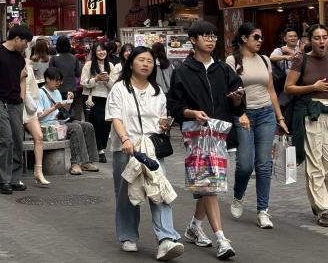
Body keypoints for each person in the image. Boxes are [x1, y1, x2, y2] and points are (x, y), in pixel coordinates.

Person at [167, 20, 245, 259]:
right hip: (196, 133)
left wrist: (236, 99)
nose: (211, 40)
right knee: (209, 184)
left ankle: (193, 226)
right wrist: (191, 113)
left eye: (213, 36)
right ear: (193, 40)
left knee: (208, 182)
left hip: (220, 132)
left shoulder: (223, 69)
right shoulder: (182, 71)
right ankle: (221, 238)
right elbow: (174, 105)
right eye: (205, 36)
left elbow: (238, 99)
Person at [105, 46, 184, 260]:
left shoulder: (157, 91)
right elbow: (116, 117)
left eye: (150, 60)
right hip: (127, 147)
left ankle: (166, 239)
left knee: (160, 188)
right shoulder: (120, 88)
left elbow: (159, 120)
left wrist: (164, 125)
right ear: (131, 63)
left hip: (151, 147)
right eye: (141, 59)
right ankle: (128, 236)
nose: (146, 64)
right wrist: (125, 140)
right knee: (126, 192)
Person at [225, 22, 289, 230]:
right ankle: (238, 196)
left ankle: (263, 210)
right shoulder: (232, 60)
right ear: (244, 38)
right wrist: (239, 111)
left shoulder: (265, 60)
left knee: (264, 164)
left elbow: (271, 90)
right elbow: (228, 92)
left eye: (261, 37)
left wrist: (280, 118)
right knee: (245, 164)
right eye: (256, 37)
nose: (260, 41)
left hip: (266, 114)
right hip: (243, 115)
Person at [284, 24, 328, 227]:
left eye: (325, 37)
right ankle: (323, 208)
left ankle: (321, 200)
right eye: (317, 38)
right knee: (315, 161)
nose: (322, 41)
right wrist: (314, 87)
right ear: (310, 40)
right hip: (311, 114)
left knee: (327, 161)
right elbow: (289, 88)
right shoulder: (302, 59)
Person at [0, 25, 33, 194]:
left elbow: (22, 78)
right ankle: (3, 180)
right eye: (25, 42)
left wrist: (21, 96)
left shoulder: (19, 59)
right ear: (17, 39)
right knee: (4, 140)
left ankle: (14, 178)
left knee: (18, 141)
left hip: (15, 104)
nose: (26, 46)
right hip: (0, 103)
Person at [39, 68, 100, 175]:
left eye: (60, 81)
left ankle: (87, 161)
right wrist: (54, 108)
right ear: (47, 79)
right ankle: (75, 163)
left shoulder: (57, 92)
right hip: (47, 125)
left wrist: (68, 101)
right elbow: (39, 116)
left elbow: (63, 112)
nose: (59, 83)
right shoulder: (40, 93)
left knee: (87, 126)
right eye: (56, 80)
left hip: (59, 122)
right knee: (75, 128)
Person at [82, 42, 117, 163]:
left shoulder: (111, 66)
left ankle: (101, 147)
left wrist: (107, 80)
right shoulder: (88, 65)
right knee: (95, 125)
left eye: (103, 50)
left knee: (105, 125)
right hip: (91, 99)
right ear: (94, 53)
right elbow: (83, 83)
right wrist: (96, 79)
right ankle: (98, 150)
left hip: (106, 98)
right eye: (98, 50)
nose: (101, 52)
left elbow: (114, 86)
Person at [23, 46, 51, 186]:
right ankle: (13, 173)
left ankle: (38, 171)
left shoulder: (28, 63)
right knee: (14, 140)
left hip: (30, 107)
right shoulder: (17, 63)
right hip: (17, 105)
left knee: (39, 136)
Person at [49, 36, 81, 118]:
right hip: (71, 90)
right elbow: (78, 73)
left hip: (57, 90)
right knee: (70, 112)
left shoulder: (54, 58)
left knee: (58, 113)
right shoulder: (74, 58)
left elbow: (50, 74)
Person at [270, 27, 301, 106]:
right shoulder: (280, 50)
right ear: (285, 39)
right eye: (290, 36)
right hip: (285, 86)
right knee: (286, 108)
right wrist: (285, 57)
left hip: (300, 84)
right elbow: (272, 57)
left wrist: (289, 52)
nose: (293, 38)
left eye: (295, 36)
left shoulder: (301, 49)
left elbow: (301, 59)